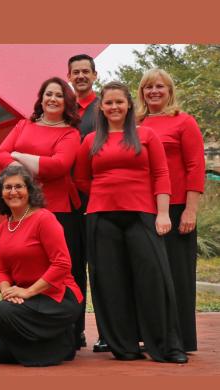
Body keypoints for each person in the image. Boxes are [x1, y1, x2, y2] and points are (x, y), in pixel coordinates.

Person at [73, 81, 187, 363]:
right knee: (110, 283)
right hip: (102, 218)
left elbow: (162, 175)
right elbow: (81, 178)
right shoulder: (90, 141)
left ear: (128, 105)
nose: (114, 107)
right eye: (108, 103)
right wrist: (104, 194)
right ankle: (124, 346)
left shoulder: (146, 135)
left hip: (142, 215)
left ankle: (167, 346)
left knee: (154, 279)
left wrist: (162, 213)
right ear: (101, 107)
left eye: (119, 102)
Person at [0, 76, 86, 350]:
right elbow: (0, 155)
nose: (53, 99)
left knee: (63, 272)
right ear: (41, 98)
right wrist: (31, 163)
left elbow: (58, 166)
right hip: (22, 207)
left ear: (67, 102)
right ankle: (29, 323)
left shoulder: (70, 133)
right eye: (48, 94)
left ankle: (72, 333)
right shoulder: (24, 124)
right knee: (26, 265)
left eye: (59, 95)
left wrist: (19, 156)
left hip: (57, 209)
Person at [0, 166, 83, 366]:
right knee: (0, 352)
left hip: (57, 296)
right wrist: (8, 292)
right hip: (27, 299)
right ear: (0, 193)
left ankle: (56, 347)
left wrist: (28, 292)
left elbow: (62, 264)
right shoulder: (4, 226)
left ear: (30, 190)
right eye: (8, 187)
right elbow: (2, 270)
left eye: (19, 186)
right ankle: (59, 341)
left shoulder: (44, 218)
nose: (13, 192)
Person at [137, 68, 205, 352]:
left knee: (178, 274)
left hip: (177, 208)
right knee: (147, 274)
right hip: (143, 208)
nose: (154, 91)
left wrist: (190, 210)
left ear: (169, 91)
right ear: (141, 92)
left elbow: (195, 167)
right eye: (148, 87)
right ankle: (150, 335)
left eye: (160, 87)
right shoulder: (134, 122)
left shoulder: (183, 122)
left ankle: (182, 338)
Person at [67, 54, 102, 350]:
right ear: (69, 76)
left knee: (104, 267)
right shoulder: (62, 108)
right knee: (73, 267)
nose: (81, 76)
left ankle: (108, 334)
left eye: (85, 72)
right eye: (76, 72)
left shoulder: (106, 106)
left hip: (101, 195)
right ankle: (74, 331)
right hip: (68, 199)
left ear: (95, 75)